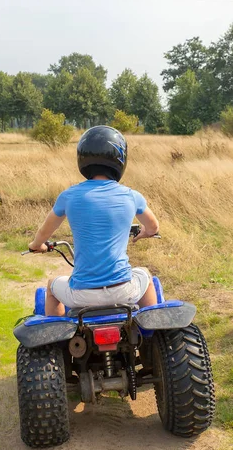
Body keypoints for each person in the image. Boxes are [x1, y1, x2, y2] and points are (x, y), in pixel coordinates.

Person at [28, 125, 160, 316]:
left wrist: (36, 245)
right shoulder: (132, 196)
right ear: (121, 159)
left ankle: (56, 339)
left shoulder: (68, 196)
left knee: (51, 287)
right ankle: (151, 334)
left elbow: (43, 234)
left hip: (81, 295)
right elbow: (154, 226)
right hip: (123, 290)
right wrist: (145, 233)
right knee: (145, 275)